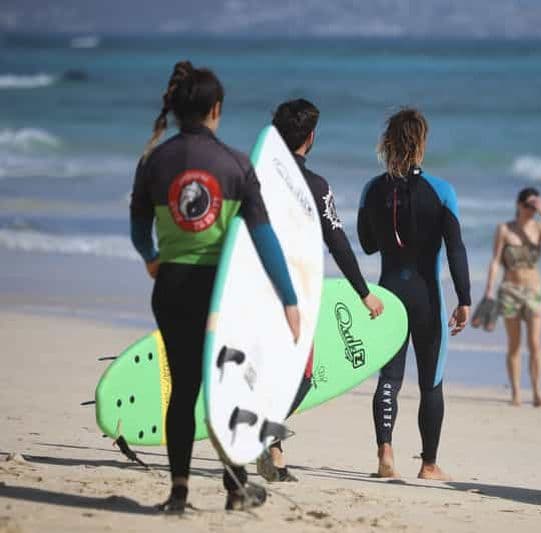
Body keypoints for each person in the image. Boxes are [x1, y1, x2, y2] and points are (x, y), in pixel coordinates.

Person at [129, 61, 300, 513]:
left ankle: (179, 491)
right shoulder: (236, 165)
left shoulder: (154, 162)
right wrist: (289, 297)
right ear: (216, 109)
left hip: (169, 290)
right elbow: (264, 239)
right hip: (220, 298)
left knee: (183, 389)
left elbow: (137, 226)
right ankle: (234, 488)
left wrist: (151, 258)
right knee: (227, 387)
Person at [258, 98, 385, 482]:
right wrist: (364, 292)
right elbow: (338, 242)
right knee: (302, 376)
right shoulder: (315, 187)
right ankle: (264, 431)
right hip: (295, 295)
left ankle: (275, 455)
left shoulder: (255, 178)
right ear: (311, 138)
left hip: (252, 288)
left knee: (264, 371)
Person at [357, 108, 471, 480]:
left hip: (389, 292)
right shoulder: (441, 191)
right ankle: (428, 464)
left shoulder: (372, 189)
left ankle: (385, 452)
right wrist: (465, 298)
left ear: (388, 142)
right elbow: (455, 249)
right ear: (421, 143)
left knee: (389, 378)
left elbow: (368, 244)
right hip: (427, 297)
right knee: (430, 381)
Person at [482, 187, 541, 407]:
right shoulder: (505, 229)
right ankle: (516, 393)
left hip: (534, 292)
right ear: (519, 205)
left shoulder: (540, 228)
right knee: (514, 344)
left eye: (534, 207)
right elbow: (496, 260)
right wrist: (489, 288)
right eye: (528, 206)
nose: (531, 210)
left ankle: (537, 393)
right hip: (510, 290)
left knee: (535, 343)